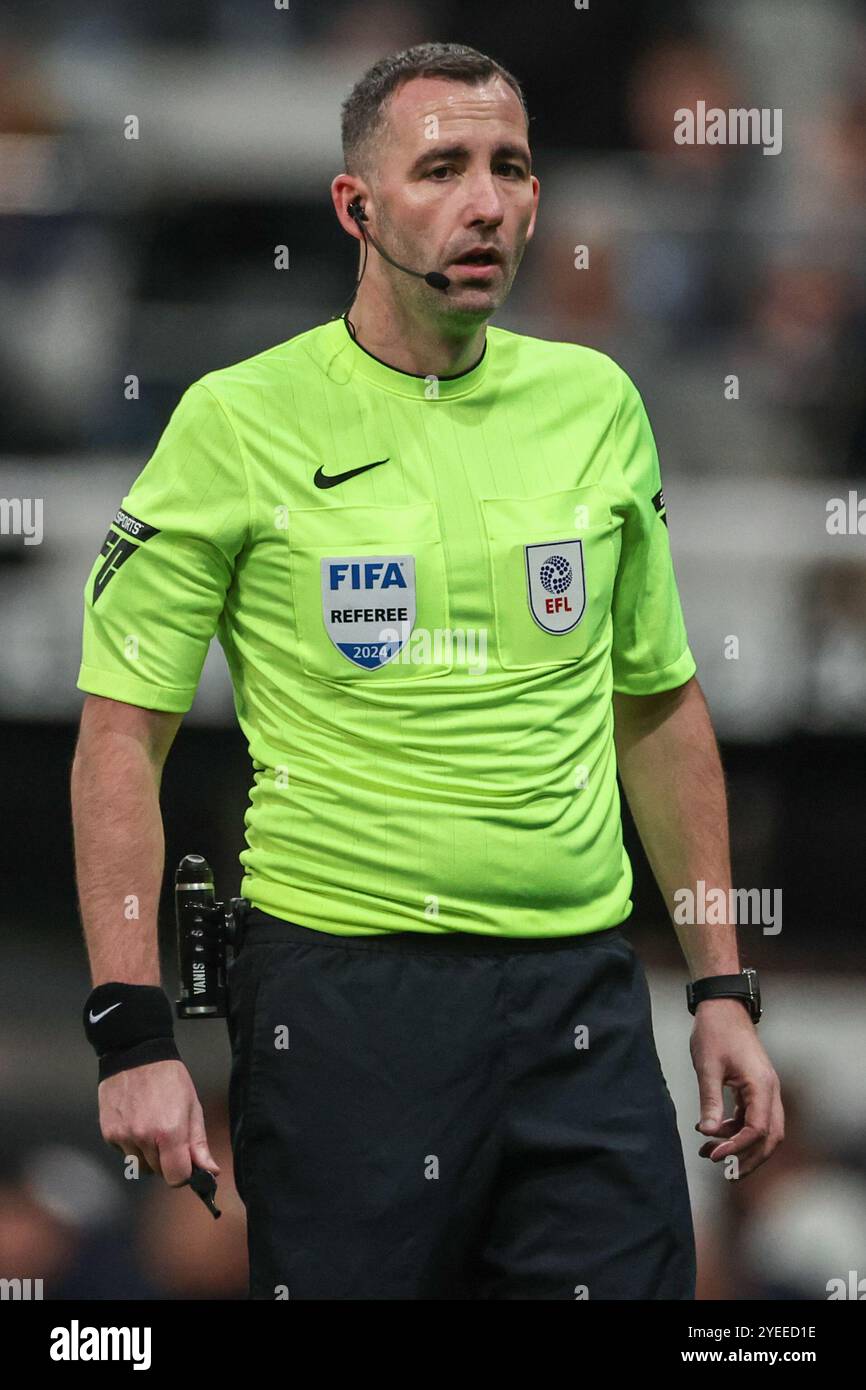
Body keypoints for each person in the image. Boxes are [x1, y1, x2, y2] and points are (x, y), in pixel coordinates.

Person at [72, 42, 783, 1300]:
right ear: (356, 208)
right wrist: (131, 1032)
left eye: (508, 168)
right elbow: (122, 736)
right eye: (442, 167)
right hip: (345, 1003)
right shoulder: (238, 421)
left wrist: (721, 984)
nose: (485, 203)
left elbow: (657, 705)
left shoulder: (596, 403)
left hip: (581, 994)